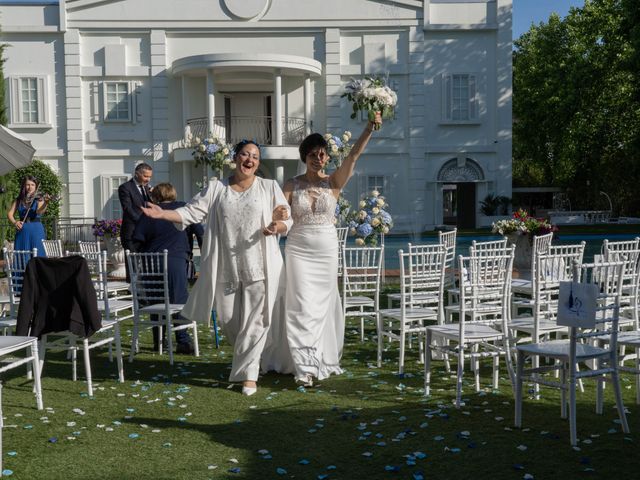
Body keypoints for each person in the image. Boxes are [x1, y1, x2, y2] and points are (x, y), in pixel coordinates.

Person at [141, 140, 291, 396]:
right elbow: (191, 212)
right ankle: (255, 360)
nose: (250, 159)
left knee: (257, 322)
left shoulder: (269, 186)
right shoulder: (217, 187)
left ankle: (249, 376)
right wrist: (163, 214)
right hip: (226, 267)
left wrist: (278, 224)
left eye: (255, 156)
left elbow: (286, 217)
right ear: (235, 158)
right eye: (245, 154)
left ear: (258, 162)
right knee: (229, 321)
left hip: (261, 266)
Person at [263, 113, 382, 387]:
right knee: (302, 306)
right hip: (299, 251)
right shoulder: (291, 185)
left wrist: (368, 129)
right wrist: (276, 219)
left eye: (323, 154)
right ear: (305, 157)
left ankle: (318, 359)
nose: (319, 158)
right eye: (314, 154)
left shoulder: (334, 183)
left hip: (327, 252)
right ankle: (303, 366)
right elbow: (281, 213)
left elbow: (353, 157)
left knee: (321, 307)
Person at [133, 183, 196, 355]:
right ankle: (183, 340)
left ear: (156, 197)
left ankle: (159, 341)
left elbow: (136, 240)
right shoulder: (183, 208)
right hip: (176, 260)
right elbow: (200, 230)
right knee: (179, 301)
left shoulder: (148, 214)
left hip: (151, 263)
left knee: (156, 301)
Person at [7, 175, 50, 256]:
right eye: (28, 185)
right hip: (23, 230)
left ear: (36, 186)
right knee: (22, 255)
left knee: (37, 254)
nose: (30, 187)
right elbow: (10, 214)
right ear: (24, 186)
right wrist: (15, 222)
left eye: (33, 185)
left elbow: (39, 211)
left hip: (36, 229)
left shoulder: (39, 198)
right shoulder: (19, 200)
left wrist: (46, 203)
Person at [118, 163, 153, 254]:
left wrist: (154, 196)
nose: (148, 179)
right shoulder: (125, 187)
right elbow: (127, 208)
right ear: (137, 173)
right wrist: (142, 223)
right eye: (145, 176)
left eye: (150, 177)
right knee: (132, 264)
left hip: (146, 234)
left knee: (145, 264)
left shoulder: (147, 188)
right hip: (132, 233)